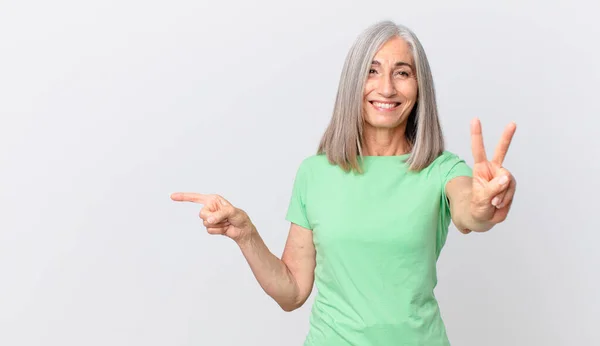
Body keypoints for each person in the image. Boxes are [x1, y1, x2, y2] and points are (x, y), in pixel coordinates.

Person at [171, 20, 517, 346]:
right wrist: (246, 234)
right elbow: (292, 292)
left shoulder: (441, 170)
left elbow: (470, 212)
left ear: (419, 86)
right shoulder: (315, 173)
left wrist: (484, 203)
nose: (386, 88)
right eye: (372, 71)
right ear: (353, 82)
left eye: (402, 73)